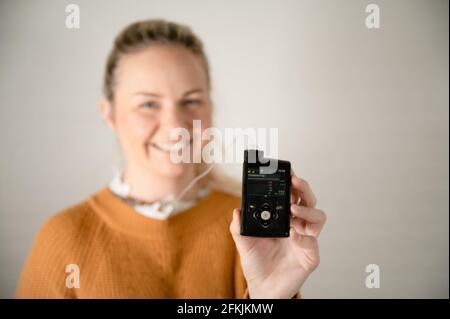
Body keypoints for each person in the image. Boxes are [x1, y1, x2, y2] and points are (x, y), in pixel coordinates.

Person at [16, 19, 326, 298]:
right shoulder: (63, 239)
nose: (176, 126)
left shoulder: (252, 234)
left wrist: (269, 297)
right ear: (108, 113)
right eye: (148, 104)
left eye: (191, 101)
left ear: (210, 108)